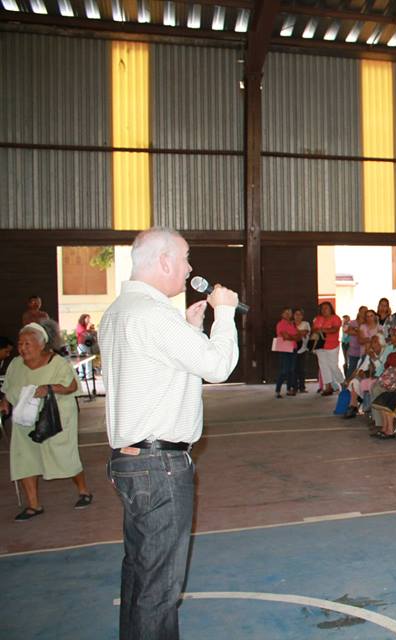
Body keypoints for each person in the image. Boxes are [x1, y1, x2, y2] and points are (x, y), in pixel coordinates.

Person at [100, 227, 239, 639]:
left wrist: (191, 330)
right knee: (158, 587)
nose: (190, 268)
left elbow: (160, 372)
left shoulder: (120, 311)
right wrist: (225, 314)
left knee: (140, 574)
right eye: (185, 257)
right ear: (163, 261)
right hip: (159, 465)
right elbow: (218, 367)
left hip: (132, 462)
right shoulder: (153, 314)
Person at [1, 323, 91, 521]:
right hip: (24, 417)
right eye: (20, 344)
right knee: (24, 457)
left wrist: (50, 388)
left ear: (41, 345)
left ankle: (83, 490)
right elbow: (9, 387)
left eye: (27, 343)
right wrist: (5, 401)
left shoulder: (57, 363)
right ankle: (33, 505)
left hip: (55, 417)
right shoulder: (16, 364)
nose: (22, 348)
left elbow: (71, 387)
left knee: (63, 455)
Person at [312, 301, 343, 395]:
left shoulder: (335, 318)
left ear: (331, 309)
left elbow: (335, 329)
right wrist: (320, 330)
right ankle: (328, 387)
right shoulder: (318, 318)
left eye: (326, 308)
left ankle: (342, 383)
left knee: (333, 366)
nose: (324, 310)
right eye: (322, 308)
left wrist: (322, 329)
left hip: (332, 345)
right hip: (320, 346)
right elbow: (313, 329)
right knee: (323, 366)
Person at [273, 307, 299, 398]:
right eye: (286, 313)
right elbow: (286, 336)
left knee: (291, 370)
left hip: (293, 348)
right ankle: (277, 390)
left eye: (289, 312)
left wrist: (292, 337)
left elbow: (297, 337)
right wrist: (294, 337)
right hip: (285, 349)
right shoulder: (280, 324)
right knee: (284, 370)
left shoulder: (292, 324)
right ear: (282, 314)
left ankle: (289, 389)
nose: (288, 314)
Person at [292, 308, 311, 393]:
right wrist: (299, 332)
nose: (298, 316)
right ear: (293, 315)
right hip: (292, 349)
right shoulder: (291, 324)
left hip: (303, 349)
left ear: (302, 316)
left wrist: (295, 332)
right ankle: (294, 387)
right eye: (296, 314)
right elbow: (290, 334)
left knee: (302, 369)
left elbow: (305, 332)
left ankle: (302, 387)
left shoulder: (306, 323)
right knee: (294, 369)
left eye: (300, 314)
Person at [75, 313, 97, 381]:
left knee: (86, 359)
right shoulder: (80, 326)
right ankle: (87, 375)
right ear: (83, 319)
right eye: (87, 319)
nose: (88, 320)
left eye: (89, 319)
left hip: (87, 344)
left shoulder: (85, 326)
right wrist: (88, 328)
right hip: (82, 344)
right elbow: (84, 334)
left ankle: (84, 375)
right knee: (86, 359)